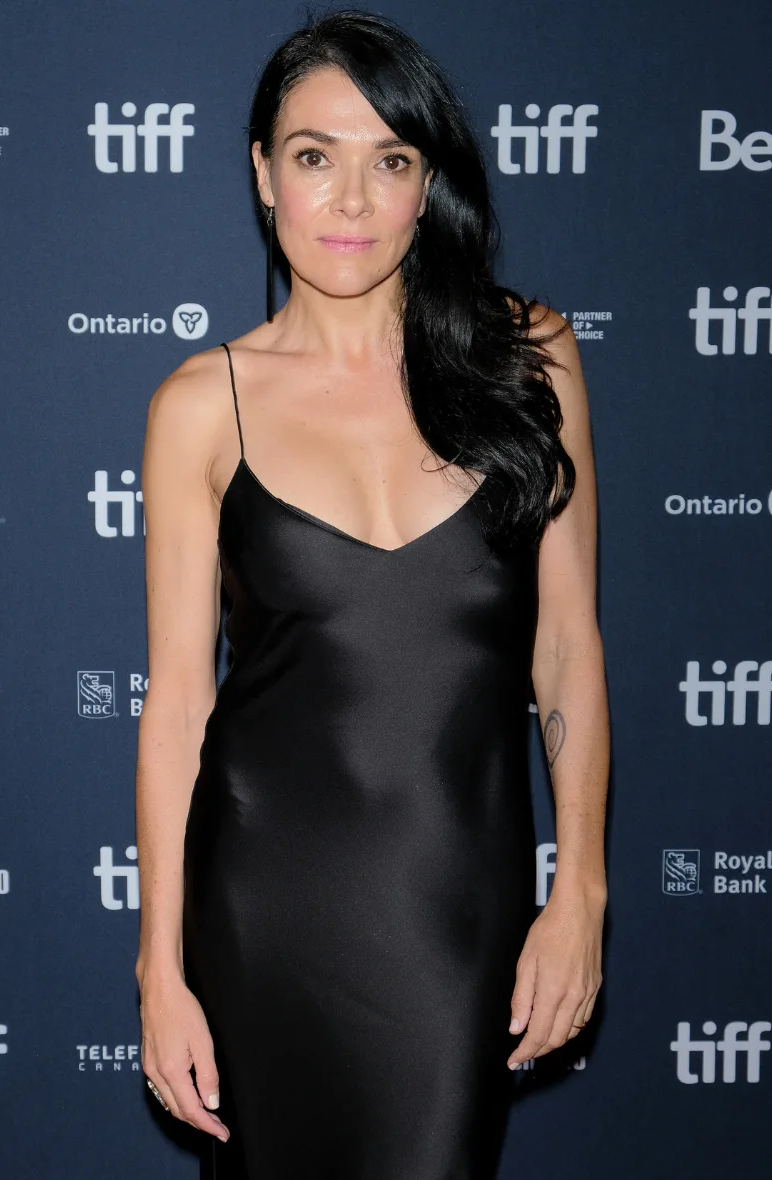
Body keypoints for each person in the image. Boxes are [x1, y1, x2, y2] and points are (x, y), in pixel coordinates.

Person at [131, 13, 609, 1178]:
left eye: (388, 160)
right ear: (261, 173)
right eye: (313, 156)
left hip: (458, 907)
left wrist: (580, 890)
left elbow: (566, 654)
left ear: (425, 184)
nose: (349, 199)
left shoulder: (528, 355)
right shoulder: (201, 403)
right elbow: (181, 708)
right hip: (264, 912)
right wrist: (160, 966)